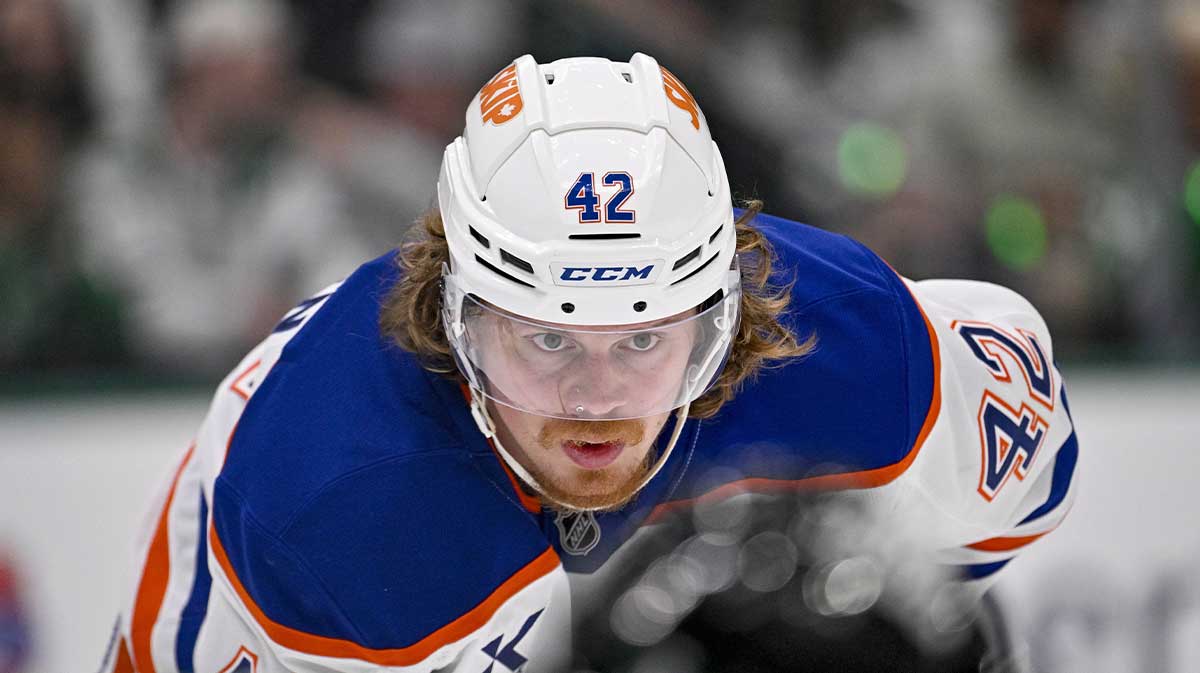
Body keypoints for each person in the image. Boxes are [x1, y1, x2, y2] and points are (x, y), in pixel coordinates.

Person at [100, 54, 1078, 673]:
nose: (595, 402)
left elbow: (1008, 503)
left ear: (724, 324)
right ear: (453, 314)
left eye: (646, 340)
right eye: (548, 338)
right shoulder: (332, 507)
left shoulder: (863, 356)